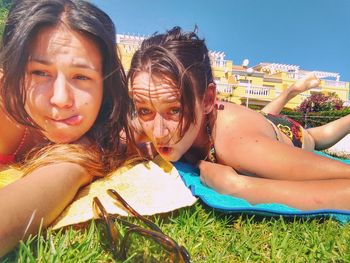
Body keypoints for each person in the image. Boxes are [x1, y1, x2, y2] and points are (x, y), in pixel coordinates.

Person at [127, 26, 350, 213]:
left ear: (207, 100)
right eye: (145, 110)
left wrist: (239, 187)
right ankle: (291, 91)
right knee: (266, 115)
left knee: (322, 135)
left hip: (292, 134)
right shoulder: (153, 118)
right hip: (259, 119)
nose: (157, 132)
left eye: (174, 110)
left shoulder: (240, 147)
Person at [0, 0, 132, 256]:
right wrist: (77, 162)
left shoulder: (106, 126)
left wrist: (78, 157)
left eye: (81, 77)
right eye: (39, 72)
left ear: (105, 86)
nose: (60, 98)